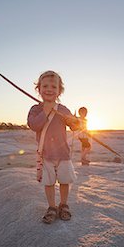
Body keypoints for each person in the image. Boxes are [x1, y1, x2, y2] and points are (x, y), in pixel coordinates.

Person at [27, 70, 80, 224]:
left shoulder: (63, 109)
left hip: (63, 153)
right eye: (45, 86)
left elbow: (74, 126)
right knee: (49, 182)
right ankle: (51, 206)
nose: (49, 89)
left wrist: (76, 122)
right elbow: (34, 125)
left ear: (59, 91)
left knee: (64, 180)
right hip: (45, 154)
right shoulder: (35, 109)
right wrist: (45, 111)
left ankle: (63, 204)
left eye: (53, 87)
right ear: (39, 89)